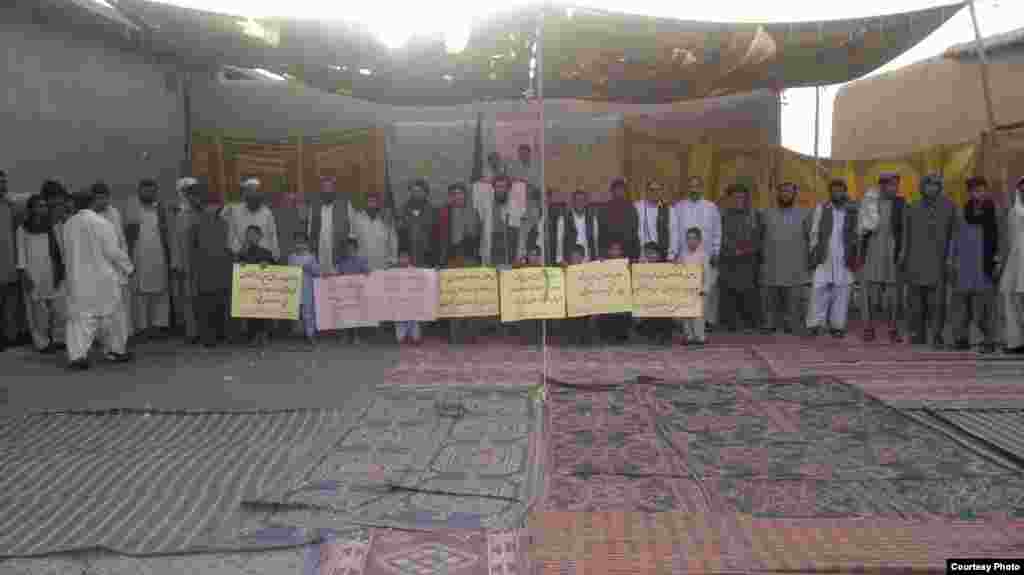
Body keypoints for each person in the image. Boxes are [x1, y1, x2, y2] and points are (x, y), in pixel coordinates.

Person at [63, 188, 135, 370]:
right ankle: (116, 351)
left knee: (80, 321)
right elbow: (113, 252)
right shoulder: (101, 223)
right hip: (103, 279)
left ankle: (77, 356)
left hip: (78, 281)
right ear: (92, 202)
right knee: (113, 317)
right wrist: (129, 268)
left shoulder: (68, 224)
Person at [899, 174, 957, 348]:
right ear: (922, 187)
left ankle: (937, 335)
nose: (931, 189)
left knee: (937, 303)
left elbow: (954, 235)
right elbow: (905, 233)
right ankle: (918, 334)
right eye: (928, 185)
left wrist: (951, 257)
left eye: (935, 185)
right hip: (915, 260)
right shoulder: (912, 206)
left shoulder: (949, 207)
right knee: (915, 302)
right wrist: (903, 253)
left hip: (938, 261)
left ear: (940, 188)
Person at [950, 177, 999, 354]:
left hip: (986, 263)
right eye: (974, 190)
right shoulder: (964, 210)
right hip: (967, 263)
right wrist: (953, 259)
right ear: (969, 192)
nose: (978, 193)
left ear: (986, 190)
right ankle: (962, 338)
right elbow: (957, 236)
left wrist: (997, 259)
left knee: (985, 305)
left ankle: (989, 340)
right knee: (964, 304)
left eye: (981, 189)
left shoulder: (994, 210)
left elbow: (1000, 236)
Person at [807, 179, 860, 338]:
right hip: (824, 255)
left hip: (844, 255)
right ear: (830, 193)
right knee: (818, 290)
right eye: (834, 190)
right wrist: (813, 251)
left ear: (845, 192)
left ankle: (838, 326)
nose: (837, 193)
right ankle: (815, 324)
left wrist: (855, 253)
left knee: (842, 291)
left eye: (840, 190)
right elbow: (814, 232)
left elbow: (858, 232)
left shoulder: (853, 210)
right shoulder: (822, 208)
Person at [857, 173, 906, 343]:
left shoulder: (901, 203)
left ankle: (893, 329)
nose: (895, 188)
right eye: (892, 185)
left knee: (893, 294)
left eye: (896, 185)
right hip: (874, 249)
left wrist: (903, 251)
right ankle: (869, 328)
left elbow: (905, 230)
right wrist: (860, 254)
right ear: (882, 186)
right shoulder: (870, 202)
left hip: (893, 250)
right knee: (872, 292)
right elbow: (861, 229)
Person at [670, 176, 721, 332]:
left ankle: (706, 323)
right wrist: (674, 254)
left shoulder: (711, 207)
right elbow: (674, 231)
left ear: (702, 187)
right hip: (685, 256)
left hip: (705, 255)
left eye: (697, 186)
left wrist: (716, 250)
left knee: (706, 291)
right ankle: (685, 324)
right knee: (685, 291)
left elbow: (717, 230)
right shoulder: (679, 207)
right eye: (691, 186)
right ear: (688, 188)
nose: (694, 189)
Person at [125, 179, 173, 341]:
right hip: (139, 256)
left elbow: (165, 231)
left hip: (159, 255)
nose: (149, 194)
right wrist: (129, 257)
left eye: (152, 191)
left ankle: (159, 326)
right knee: (141, 294)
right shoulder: (133, 208)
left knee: (160, 292)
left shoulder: (160, 208)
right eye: (146, 191)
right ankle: (143, 328)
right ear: (139, 191)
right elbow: (130, 235)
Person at [759, 182, 809, 335]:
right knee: (769, 298)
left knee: (794, 299)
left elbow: (811, 238)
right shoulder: (766, 213)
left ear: (795, 195)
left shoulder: (805, 214)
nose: (785, 195)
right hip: (771, 262)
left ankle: (791, 324)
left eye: (789, 192)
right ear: (777, 194)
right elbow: (759, 236)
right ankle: (769, 324)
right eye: (783, 192)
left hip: (795, 264)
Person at [17, 193, 65, 353]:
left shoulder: (51, 227)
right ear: (31, 209)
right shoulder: (22, 229)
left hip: (50, 272)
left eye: (44, 206)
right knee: (38, 313)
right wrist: (25, 274)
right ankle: (42, 343)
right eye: (40, 206)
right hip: (33, 275)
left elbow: (57, 252)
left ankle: (59, 338)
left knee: (58, 308)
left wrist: (59, 270)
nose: (43, 209)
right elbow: (21, 254)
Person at [189, 189, 234, 348]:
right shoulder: (195, 225)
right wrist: (194, 272)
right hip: (204, 272)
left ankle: (221, 335)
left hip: (223, 271)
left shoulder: (225, 224)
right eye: (209, 205)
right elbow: (191, 250)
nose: (212, 208)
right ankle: (208, 338)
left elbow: (230, 247)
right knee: (205, 307)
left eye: (215, 205)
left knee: (221, 305)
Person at [92, 181, 133, 342]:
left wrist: (125, 264)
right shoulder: (89, 216)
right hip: (100, 269)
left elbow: (121, 239)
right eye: (99, 198)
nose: (103, 201)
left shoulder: (114, 212)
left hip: (118, 266)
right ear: (93, 199)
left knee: (121, 306)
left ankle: (124, 338)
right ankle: (105, 340)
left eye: (105, 197)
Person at [718, 184, 761, 333]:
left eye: (742, 197)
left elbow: (759, 237)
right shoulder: (722, 215)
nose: (739, 200)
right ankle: (729, 324)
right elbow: (718, 235)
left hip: (748, 261)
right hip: (728, 260)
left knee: (748, 294)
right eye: (735, 197)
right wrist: (731, 249)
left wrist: (746, 250)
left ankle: (748, 324)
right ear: (729, 199)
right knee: (728, 293)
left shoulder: (754, 215)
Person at [170, 177, 201, 344]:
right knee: (189, 297)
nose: (195, 198)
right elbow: (176, 240)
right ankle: (192, 332)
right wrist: (176, 264)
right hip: (187, 263)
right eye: (191, 194)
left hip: (203, 262)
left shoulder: (202, 213)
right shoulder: (181, 215)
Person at [236, 225, 276, 347]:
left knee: (264, 313)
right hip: (249, 290)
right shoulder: (242, 253)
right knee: (251, 314)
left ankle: (264, 335)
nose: (251, 237)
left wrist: (268, 264)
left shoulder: (266, 252)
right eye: (249, 234)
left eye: (254, 234)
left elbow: (276, 270)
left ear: (260, 236)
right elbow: (236, 268)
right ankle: (253, 336)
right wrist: (240, 263)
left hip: (263, 291)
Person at [998, 176, 1024, 354]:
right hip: (1014, 262)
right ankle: (1015, 342)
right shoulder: (1013, 210)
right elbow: (1007, 238)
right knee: (1010, 300)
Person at [225, 177, 279, 260]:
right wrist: (237, 252)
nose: (254, 194)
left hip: (263, 257)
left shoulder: (267, 212)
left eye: (256, 192)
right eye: (250, 191)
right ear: (245, 194)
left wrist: (275, 255)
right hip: (242, 256)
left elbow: (273, 236)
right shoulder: (235, 211)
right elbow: (231, 236)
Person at [309, 175, 351, 276]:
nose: (327, 190)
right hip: (320, 253)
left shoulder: (345, 205)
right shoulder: (314, 205)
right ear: (321, 189)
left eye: (330, 187)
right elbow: (310, 230)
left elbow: (352, 231)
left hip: (338, 253)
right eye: (324, 187)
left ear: (334, 188)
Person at [334, 234, 372, 345]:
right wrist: (329, 274)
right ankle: (344, 336)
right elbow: (336, 272)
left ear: (356, 248)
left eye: (351, 247)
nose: (349, 249)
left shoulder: (361, 260)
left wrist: (369, 273)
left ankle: (356, 337)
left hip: (357, 292)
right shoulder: (341, 261)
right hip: (344, 292)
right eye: (347, 247)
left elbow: (367, 272)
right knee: (344, 314)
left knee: (356, 315)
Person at [635, 241, 674, 346]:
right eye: (647, 253)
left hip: (664, 303)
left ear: (658, 254)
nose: (650, 256)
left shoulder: (667, 267)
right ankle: (651, 332)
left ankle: (665, 333)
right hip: (648, 304)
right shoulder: (640, 268)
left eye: (652, 253)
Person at [679, 227, 713, 346]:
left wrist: (705, 288)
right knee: (686, 314)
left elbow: (707, 273)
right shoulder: (683, 255)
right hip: (686, 289)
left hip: (699, 290)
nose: (691, 241)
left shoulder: (703, 255)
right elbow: (679, 271)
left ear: (699, 240)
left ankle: (700, 336)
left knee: (698, 315)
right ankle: (688, 336)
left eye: (694, 238)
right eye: (688, 238)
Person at [349, 191, 398, 271]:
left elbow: (393, 241)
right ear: (365, 203)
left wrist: (393, 260)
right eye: (369, 201)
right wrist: (353, 261)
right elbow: (352, 241)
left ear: (378, 203)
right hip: (363, 267)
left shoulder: (387, 220)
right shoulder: (357, 218)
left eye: (374, 201)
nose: (371, 204)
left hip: (382, 266)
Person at [436, 182, 481, 267]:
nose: (458, 196)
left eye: (460, 193)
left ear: (465, 195)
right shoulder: (443, 212)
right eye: (454, 194)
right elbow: (438, 237)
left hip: (469, 257)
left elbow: (478, 236)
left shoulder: (473, 212)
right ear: (450, 197)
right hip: (450, 256)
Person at [595, 239, 632, 344]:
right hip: (607, 300)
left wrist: (629, 269)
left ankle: (620, 335)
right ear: (608, 251)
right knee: (606, 313)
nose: (615, 252)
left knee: (622, 314)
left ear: (621, 251)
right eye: (613, 249)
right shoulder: (602, 262)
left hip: (621, 300)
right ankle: (607, 335)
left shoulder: (627, 264)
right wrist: (598, 265)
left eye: (618, 249)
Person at [287, 231, 320, 346]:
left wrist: (310, 268)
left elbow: (317, 273)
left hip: (307, 288)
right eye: (297, 241)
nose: (299, 244)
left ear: (306, 243)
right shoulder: (291, 257)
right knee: (294, 311)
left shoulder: (311, 257)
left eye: (302, 241)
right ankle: (296, 333)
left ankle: (310, 335)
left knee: (308, 312)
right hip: (294, 288)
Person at [0, 169, 20, 351]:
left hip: (10, 263)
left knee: (10, 305)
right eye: (0, 182)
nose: (3, 186)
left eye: (4, 182)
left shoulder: (10, 207)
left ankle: (9, 337)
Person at [398, 179, 437, 267]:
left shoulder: (433, 211)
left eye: (419, 191)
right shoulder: (403, 210)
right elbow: (400, 234)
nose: (416, 193)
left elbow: (437, 236)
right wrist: (403, 254)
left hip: (427, 256)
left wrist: (436, 259)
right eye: (413, 191)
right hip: (408, 257)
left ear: (426, 193)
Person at [600, 178, 640, 260]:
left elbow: (634, 231)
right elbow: (602, 232)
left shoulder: (631, 208)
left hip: (628, 250)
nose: (619, 192)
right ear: (612, 191)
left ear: (625, 192)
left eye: (621, 189)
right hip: (610, 252)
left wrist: (635, 254)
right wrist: (603, 252)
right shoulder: (605, 208)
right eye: (616, 189)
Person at [556, 190, 600, 264]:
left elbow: (595, 241)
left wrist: (596, 257)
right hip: (570, 258)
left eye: (582, 200)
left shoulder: (593, 219)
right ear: (573, 202)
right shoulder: (563, 219)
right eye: (577, 200)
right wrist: (560, 259)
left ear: (586, 202)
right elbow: (559, 241)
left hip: (588, 259)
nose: (580, 202)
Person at [561, 244, 593, 345]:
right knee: (571, 334)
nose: (575, 258)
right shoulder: (564, 270)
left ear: (582, 257)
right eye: (573, 256)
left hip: (585, 308)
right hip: (570, 307)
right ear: (570, 257)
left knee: (584, 334)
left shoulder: (589, 270)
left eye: (578, 256)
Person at [635, 179, 672, 258]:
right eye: (652, 190)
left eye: (658, 190)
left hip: (662, 253)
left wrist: (671, 254)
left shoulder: (668, 209)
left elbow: (673, 232)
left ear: (661, 192)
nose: (655, 193)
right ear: (647, 191)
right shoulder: (638, 207)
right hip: (643, 253)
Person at [394, 249, 422, 345]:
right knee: (400, 320)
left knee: (413, 319)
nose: (403, 259)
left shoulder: (414, 270)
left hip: (411, 300)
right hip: (399, 301)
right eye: (401, 257)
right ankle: (402, 337)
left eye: (405, 257)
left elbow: (422, 281)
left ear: (409, 259)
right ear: (398, 259)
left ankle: (414, 337)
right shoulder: (393, 271)